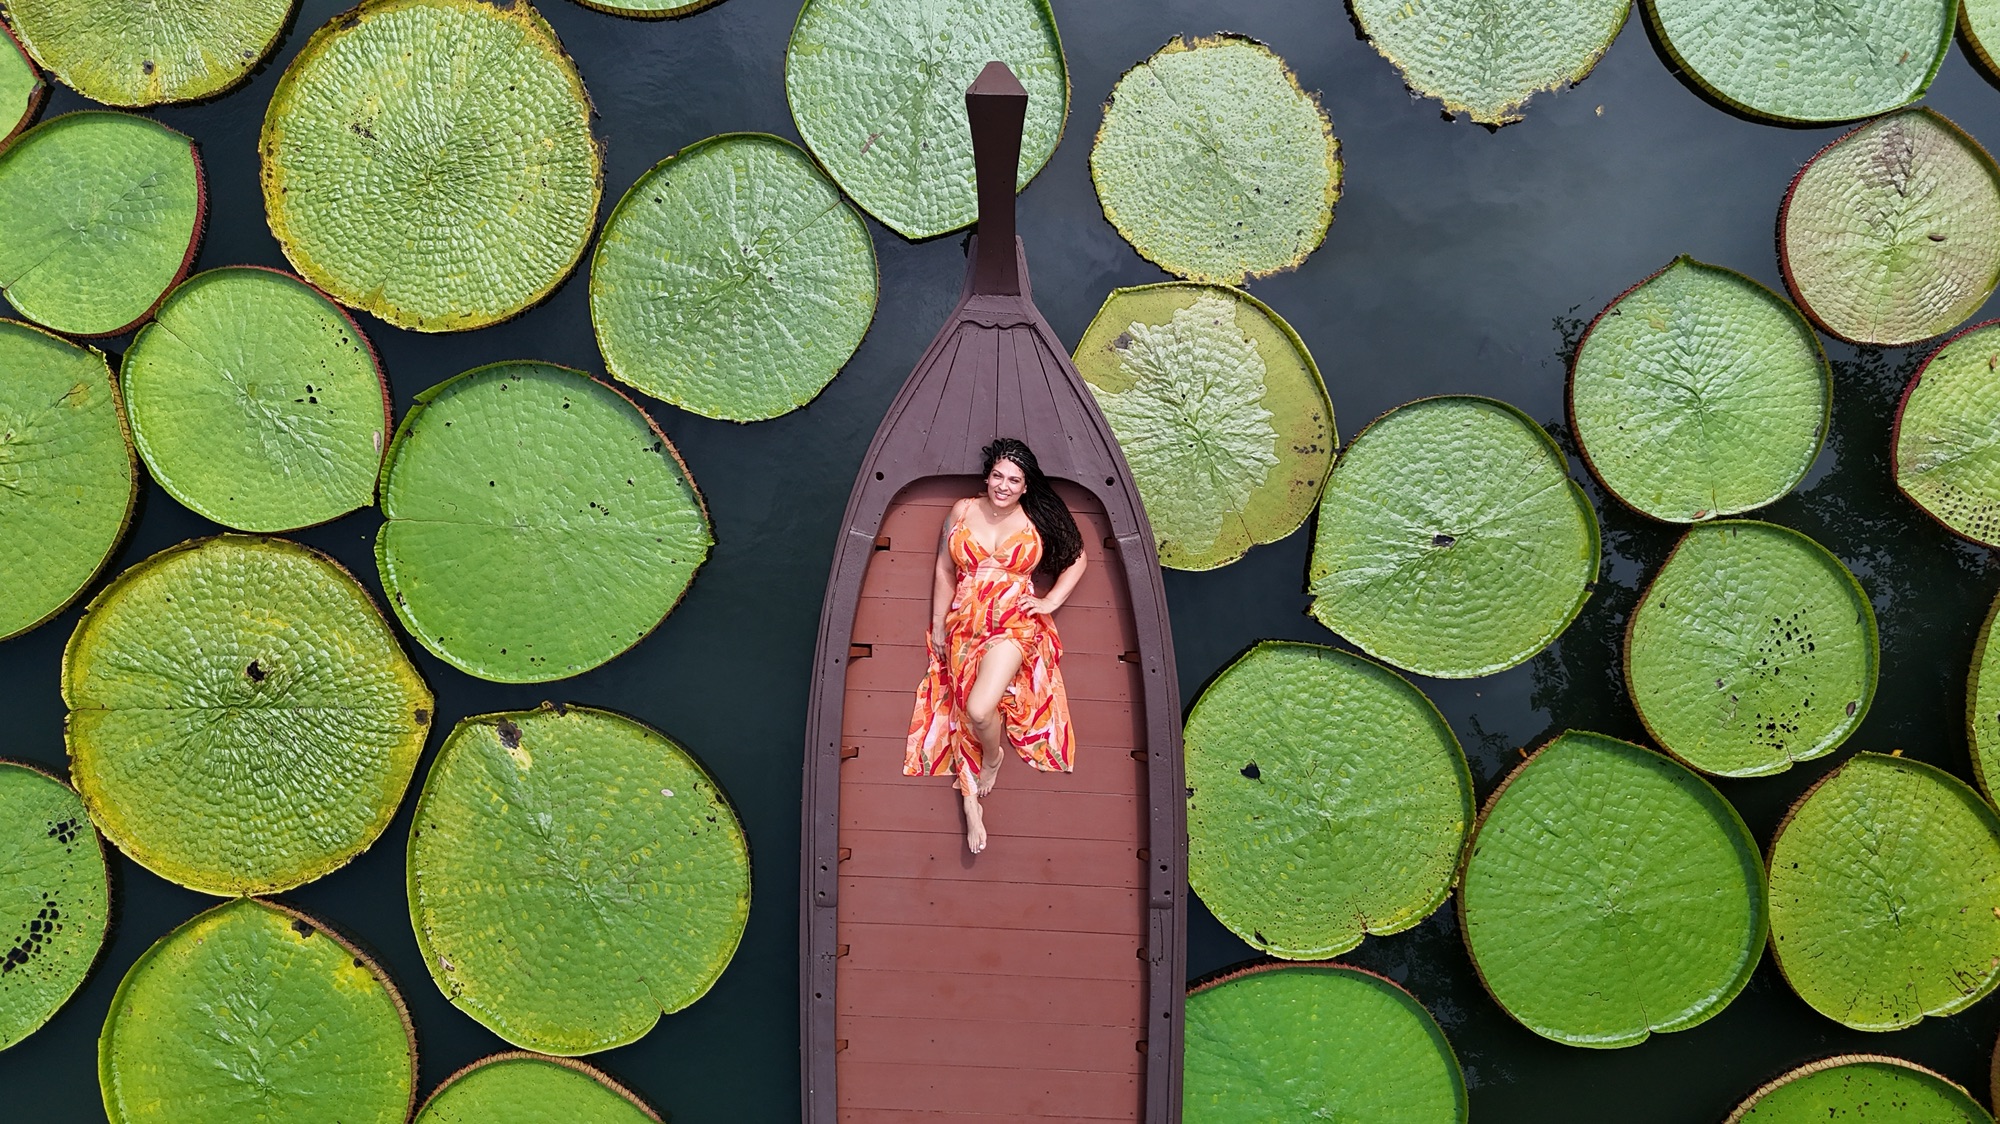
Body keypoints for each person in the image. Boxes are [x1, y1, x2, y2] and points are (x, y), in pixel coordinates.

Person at [905, 438, 1085, 854]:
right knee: (958, 703)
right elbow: (944, 567)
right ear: (988, 476)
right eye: (998, 476)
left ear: (1025, 486)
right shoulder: (962, 510)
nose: (1003, 486)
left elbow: (1077, 557)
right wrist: (936, 625)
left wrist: (1049, 601)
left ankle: (993, 757)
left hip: (1012, 623)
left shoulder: (1037, 517)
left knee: (978, 708)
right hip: (964, 623)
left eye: (1013, 480)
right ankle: (970, 802)